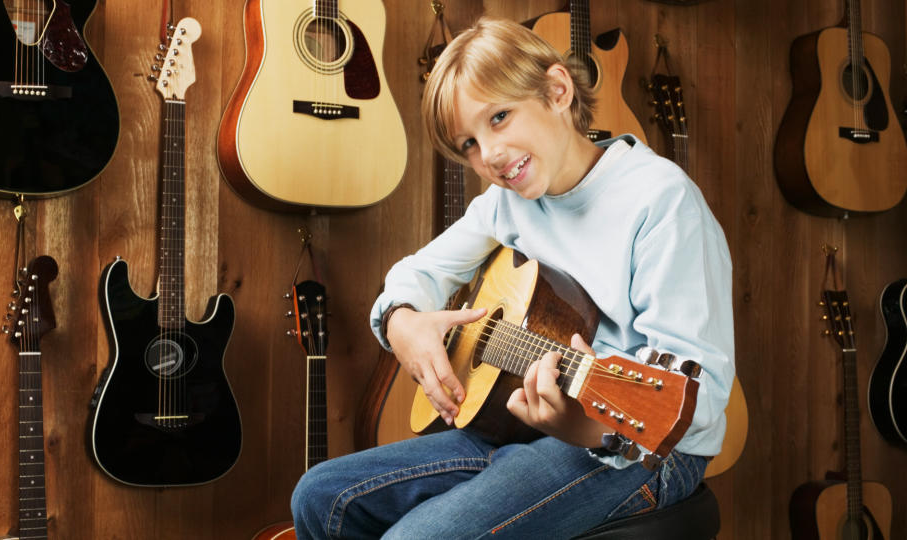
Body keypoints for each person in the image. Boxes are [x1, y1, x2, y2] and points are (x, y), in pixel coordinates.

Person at [291, 16, 734, 539]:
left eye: (499, 117)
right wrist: (401, 323)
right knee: (320, 497)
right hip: (518, 425)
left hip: (645, 452)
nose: (491, 156)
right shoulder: (505, 204)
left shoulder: (660, 201)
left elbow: (695, 398)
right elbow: (418, 272)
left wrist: (586, 427)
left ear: (557, 90)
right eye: (468, 145)